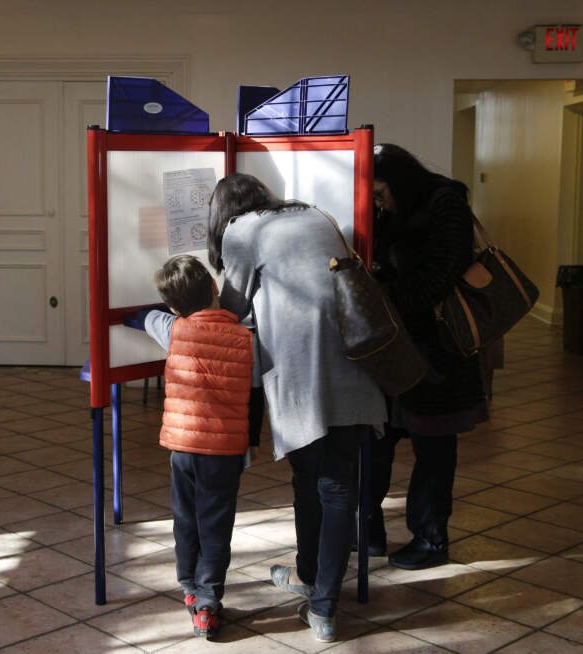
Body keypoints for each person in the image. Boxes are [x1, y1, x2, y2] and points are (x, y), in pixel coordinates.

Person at [207, 173, 387, 643]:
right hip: (356, 364)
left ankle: (323, 606)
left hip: (303, 374)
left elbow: (231, 309)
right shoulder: (312, 214)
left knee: (316, 480)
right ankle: (313, 583)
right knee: (335, 486)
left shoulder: (241, 232)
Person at [367, 143, 488, 570]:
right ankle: (370, 534)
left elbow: (441, 275)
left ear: (400, 182)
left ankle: (431, 539)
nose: (378, 203)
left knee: (434, 448)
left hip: (438, 350)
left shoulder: (445, 203)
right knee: (376, 441)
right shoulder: (395, 208)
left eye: (381, 194)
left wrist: (386, 299)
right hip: (398, 346)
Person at [128, 254, 256, 640]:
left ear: (172, 306)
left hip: (183, 448)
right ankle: (208, 602)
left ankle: (188, 586)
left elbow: (139, 317)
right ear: (216, 288)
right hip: (225, 452)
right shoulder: (246, 336)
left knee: (185, 519)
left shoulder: (173, 328)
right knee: (216, 524)